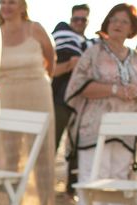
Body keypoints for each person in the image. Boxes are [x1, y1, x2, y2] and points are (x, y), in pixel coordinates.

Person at [66, 3, 137, 205]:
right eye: (114, 19)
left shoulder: (135, 57)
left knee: (119, 175)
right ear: (107, 23)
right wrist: (113, 90)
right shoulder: (94, 52)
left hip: (127, 128)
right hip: (96, 125)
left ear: (131, 27)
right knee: (95, 174)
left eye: (124, 21)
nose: (118, 25)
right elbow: (78, 85)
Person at [0, 0, 56, 205]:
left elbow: (51, 58)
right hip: (6, 94)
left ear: (22, 6)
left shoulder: (35, 28)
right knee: (9, 151)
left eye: (11, 2)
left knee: (41, 151)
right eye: (3, 2)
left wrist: (41, 81)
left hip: (37, 91)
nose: (6, 6)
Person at [51, 4, 90, 193]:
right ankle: (45, 188)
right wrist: (69, 65)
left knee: (77, 146)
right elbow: (51, 70)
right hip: (60, 99)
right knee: (53, 143)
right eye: (76, 19)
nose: (79, 23)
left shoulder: (90, 45)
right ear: (71, 19)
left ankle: (71, 188)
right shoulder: (61, 39)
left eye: (83, 19)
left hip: (83, 103)